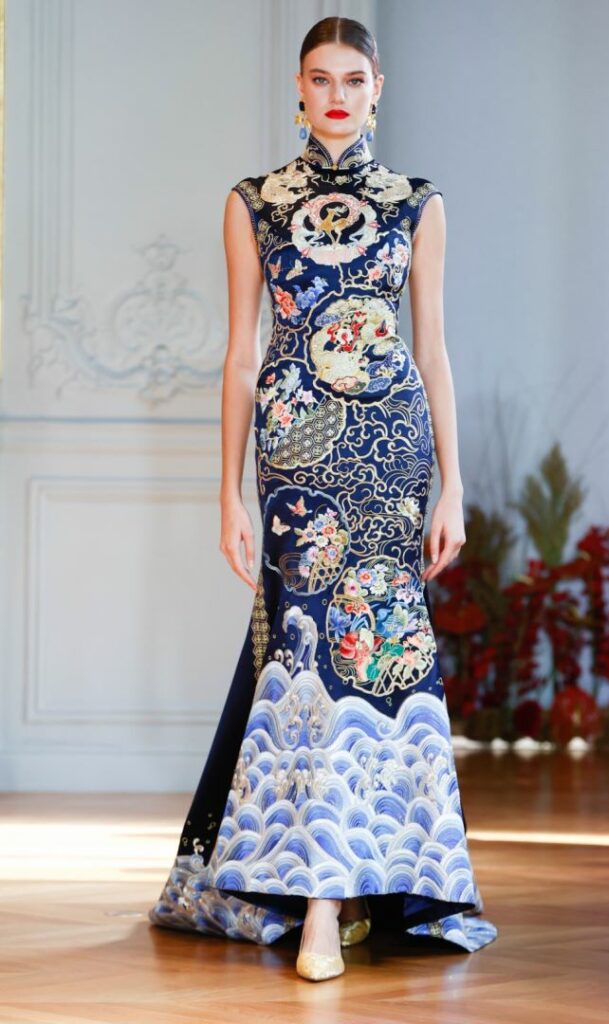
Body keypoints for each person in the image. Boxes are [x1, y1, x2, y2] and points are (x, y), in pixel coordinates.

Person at [148, 15, 498, 982]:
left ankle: (335, 900)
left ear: (377, 89)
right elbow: (240, 355)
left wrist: (454, 485)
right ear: (298, 90)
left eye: (352, 78)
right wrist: (227, 494)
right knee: (306, 659)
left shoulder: (416, 203)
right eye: (319, 78)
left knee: (373, 656)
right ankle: (317, 896)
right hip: (295, 454)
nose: (336, 95)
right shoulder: (253, 202)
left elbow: (432, 352)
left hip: (390, 454)